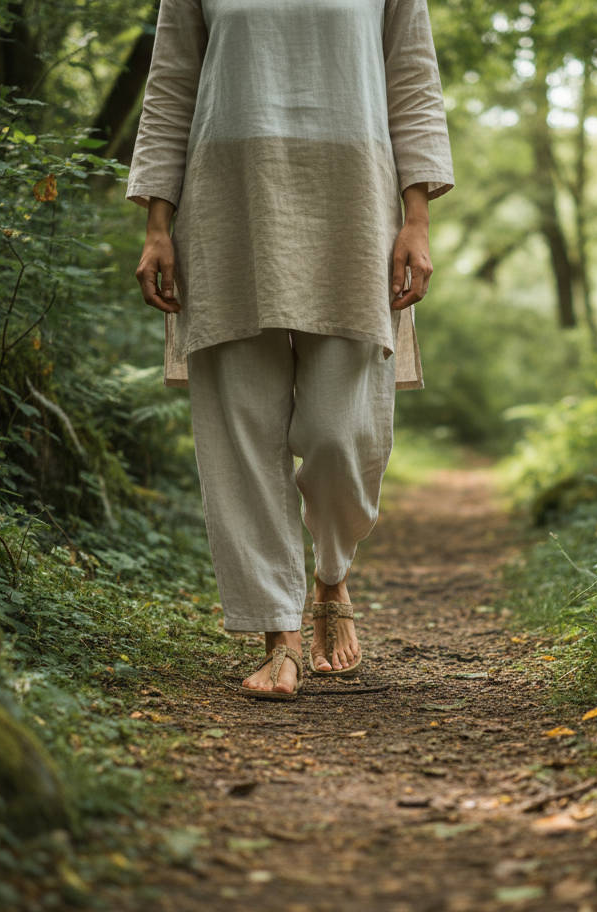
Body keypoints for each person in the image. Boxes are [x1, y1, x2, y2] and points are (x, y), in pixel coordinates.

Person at [125, 0, 454, 699]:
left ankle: (331, 576)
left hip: (356, 205)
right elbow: (172, 83)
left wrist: (417, 218)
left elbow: (413, 80)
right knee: (239, 427)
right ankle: (279, 633)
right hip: (227, 199)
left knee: (343, 430)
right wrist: (158, 223)